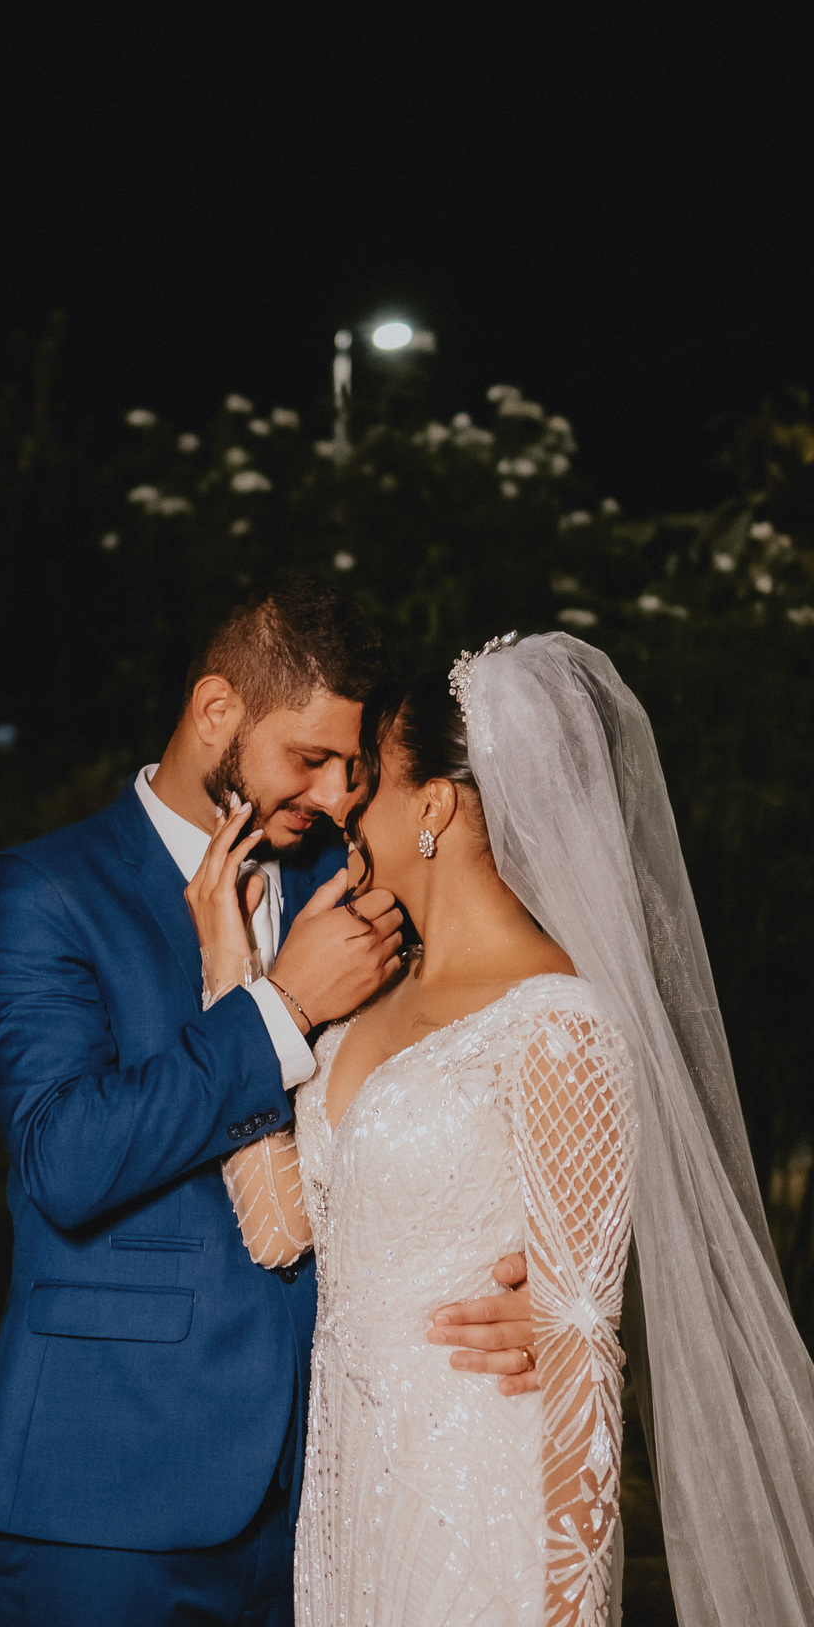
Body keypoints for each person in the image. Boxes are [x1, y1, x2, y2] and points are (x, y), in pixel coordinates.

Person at [196, 631, 814, 1626]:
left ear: (434, 807)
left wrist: (571, 1607)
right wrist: (232, 976)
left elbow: (580, 1354)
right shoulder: (358, 1008)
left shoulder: (559, 1023)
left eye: (369, 782)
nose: (344, 806)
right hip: (353, 1500)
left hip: (484, 1505)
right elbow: (279, 1230)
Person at [0, 578, 540, 1627]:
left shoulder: (354, 886)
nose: (335, 795)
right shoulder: (44, 893)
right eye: (309, 758)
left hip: (331, 1498)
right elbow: (66, 1161)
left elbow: (476, 1083)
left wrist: (544, 1287)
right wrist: (281, 1007)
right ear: (216, 709)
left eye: (353, 769)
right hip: (108, 1494)